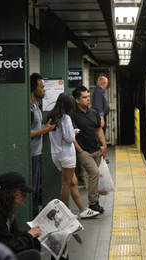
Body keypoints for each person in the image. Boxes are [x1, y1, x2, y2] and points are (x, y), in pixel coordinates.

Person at [47, 93, 100, 219]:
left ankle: (83, 210)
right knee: (66, 184)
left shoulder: (52, 116)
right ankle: (64, 213)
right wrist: (74, 132)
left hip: (56, 154)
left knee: (73, 182)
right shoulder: (65, 118)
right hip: (66, 155)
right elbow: (69, 138)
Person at [0, 172, 41, 260]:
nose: (23, 199)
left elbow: (14, 236)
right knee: (33, 255)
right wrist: (29, 236)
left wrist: (32, 234)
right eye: (22, 194)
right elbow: (11, 246)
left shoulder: (5, 209)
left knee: (34, 242)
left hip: (3, 251)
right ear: (12, 193)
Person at [72, 86, 106, 214]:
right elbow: (71, 133)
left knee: (93, 177)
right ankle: (93, 203)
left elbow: (98, 129)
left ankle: (94, 200)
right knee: (94, 173)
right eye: (84, 97)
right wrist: (79, 149)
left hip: (96, 149)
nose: (88, 100)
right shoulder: (73, 115)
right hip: (84, 151)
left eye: (88, 97)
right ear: (77, 100)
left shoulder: (94, 113)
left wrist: (104, 145)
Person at [30, 73, 56, 217]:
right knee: (33, 188)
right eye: (42, 87)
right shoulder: (28, 107)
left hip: (38, 152)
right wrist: (44, 130)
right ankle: (33, 217)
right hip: (31, 154)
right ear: (33, 88)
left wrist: (44, 127)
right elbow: (25, 133)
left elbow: (36, 127)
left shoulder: (36, 105)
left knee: (38, 187)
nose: (44, 90)